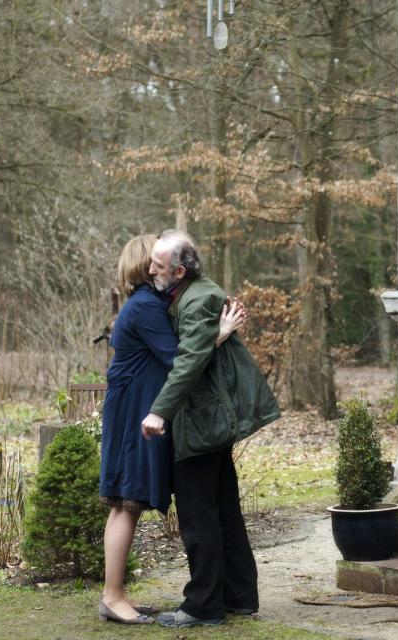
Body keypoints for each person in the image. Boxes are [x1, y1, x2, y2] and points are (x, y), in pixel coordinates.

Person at [98, 234, 244, 625]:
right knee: (125, 504)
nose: (155, 268)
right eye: (153, 262)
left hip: (138, 407)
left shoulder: (154, 303)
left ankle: (115, 594)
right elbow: (182, 357)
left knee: (127, 505)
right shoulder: (146, 306)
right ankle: (113, 597)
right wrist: (220, 335)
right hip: (133, 413)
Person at [141, 230, 281, 629]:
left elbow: (189, 361)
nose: (151, 270)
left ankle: (203, 606)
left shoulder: (199, 298)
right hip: (209, 423)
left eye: (159, 265)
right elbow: (201, 348)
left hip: (201, 424)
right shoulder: (194, 293)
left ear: (179, 270)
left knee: (199, 516)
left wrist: (159, 413)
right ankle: (238, 596)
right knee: (223, 510)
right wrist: (217, 336)